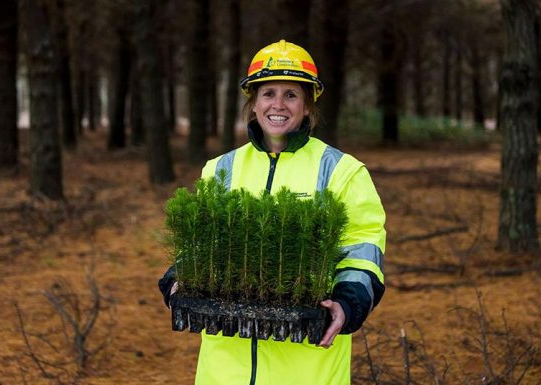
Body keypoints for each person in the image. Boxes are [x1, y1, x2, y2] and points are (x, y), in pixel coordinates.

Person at [158, 39, 386, 385]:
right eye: (268, 94)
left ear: (308, 106)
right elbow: (202, 246)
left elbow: (363, 249)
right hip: (225, 368)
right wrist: (179, 279)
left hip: (306, 367)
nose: (278, 105)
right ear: (253, 103)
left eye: (291, 95)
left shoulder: (342, 171)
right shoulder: (221, 168)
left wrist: (347, 303)